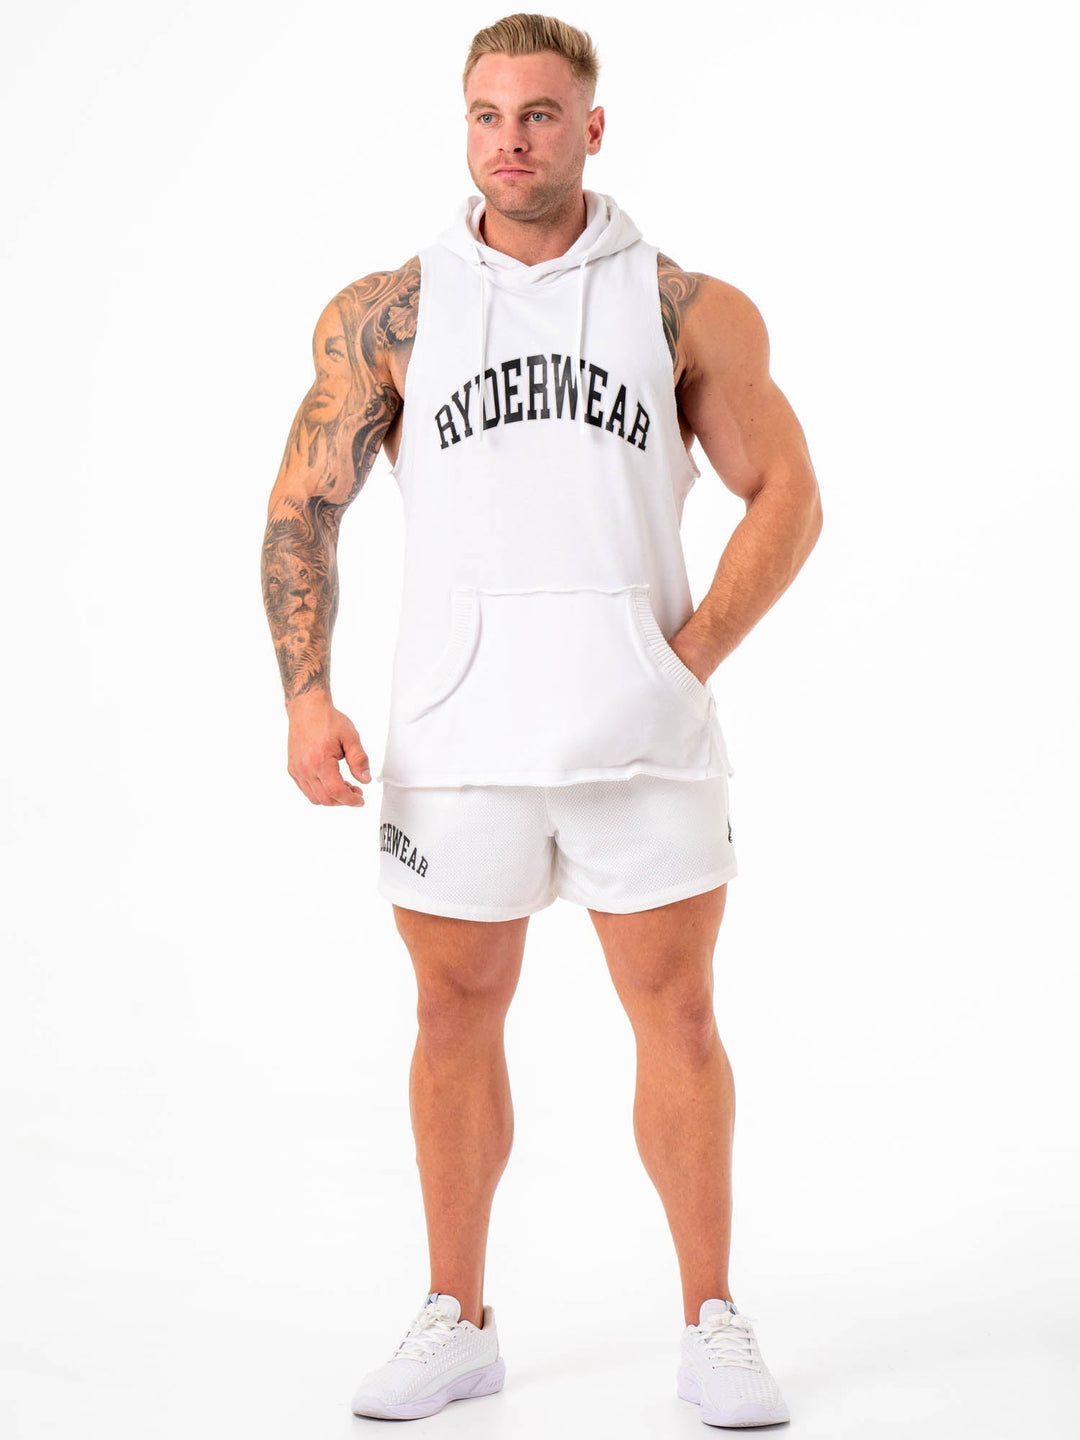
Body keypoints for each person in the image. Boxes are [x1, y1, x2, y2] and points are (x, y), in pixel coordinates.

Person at [261, 12, 821, 1429]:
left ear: (591, 128)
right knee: (451, 1015)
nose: (511, 140)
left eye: (540, 113)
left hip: (643, 739)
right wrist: (306, 691)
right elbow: (304, 504)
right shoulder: (390, 312)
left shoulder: (683, 307)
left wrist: (684, 659)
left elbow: (789, 495)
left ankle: (711, 1319)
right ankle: (458, 1318)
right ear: (465, 128)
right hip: (454, 741)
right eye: (488, 114)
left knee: (678, 1014)